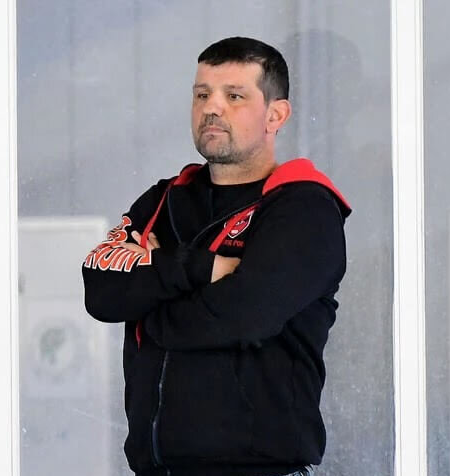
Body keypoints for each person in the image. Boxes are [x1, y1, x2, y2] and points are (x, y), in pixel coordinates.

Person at [82, 36, 351, 476]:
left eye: (234, 96)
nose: (212, 108)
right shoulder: (164, 200)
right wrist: (202, 268)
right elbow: (102, 290)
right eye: (202, 94)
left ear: (276, 115)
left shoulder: (304, 208)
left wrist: (151, 308)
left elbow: (245, 315)